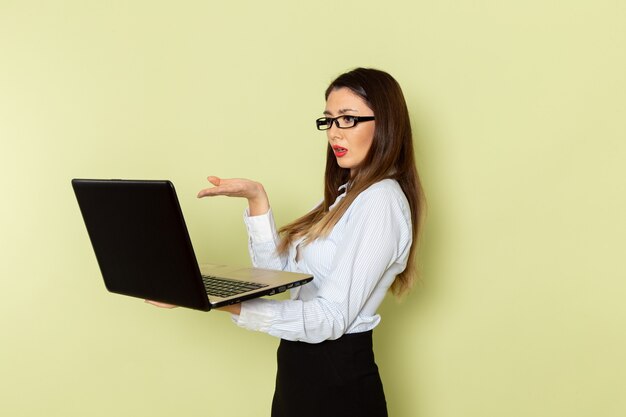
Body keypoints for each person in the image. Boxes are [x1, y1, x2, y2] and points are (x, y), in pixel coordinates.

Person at [148, 67, 425, 417]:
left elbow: (331, 318)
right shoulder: (341, 197)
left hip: (338, 381)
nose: (334, 133)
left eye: (348, 119)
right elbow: (277, 279)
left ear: (385, 123)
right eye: (329, 121)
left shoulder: (381, 200)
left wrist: (214, 300)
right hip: (299, 370)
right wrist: (257, 200)